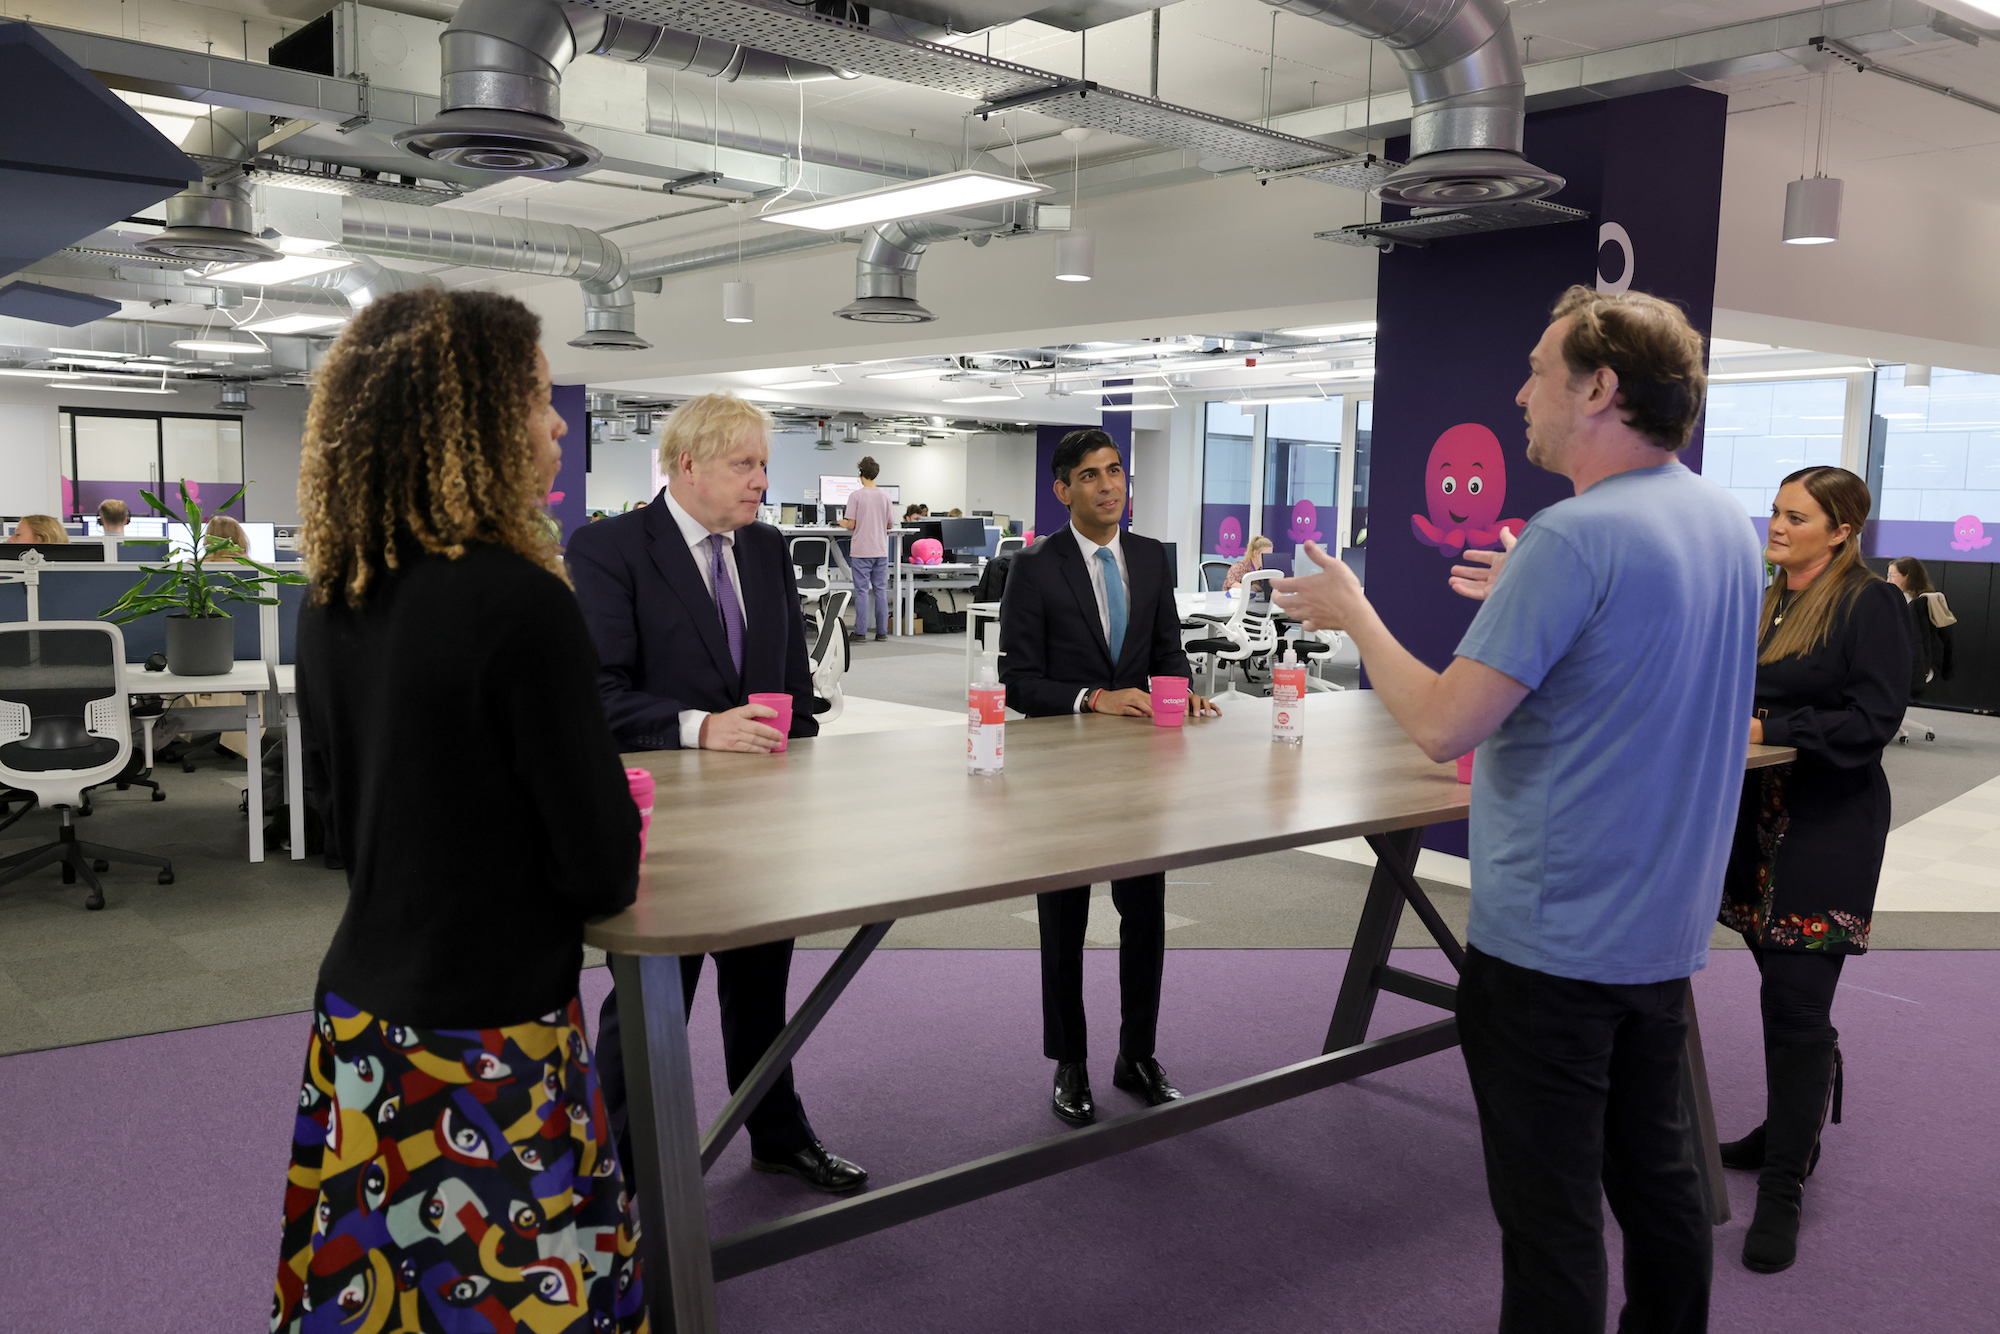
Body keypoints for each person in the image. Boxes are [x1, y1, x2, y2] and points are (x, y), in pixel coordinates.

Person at [1274, 285, 1762, 1333]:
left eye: (1538, 368)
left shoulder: (1569, 539)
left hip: (1550, 942)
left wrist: (1354, 614)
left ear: (1597, 386)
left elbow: (1444, 725)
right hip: (1657, 932)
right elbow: (1630, 659)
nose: (1517, 391)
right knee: (1659, 1184)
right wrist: (1527, 595)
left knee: (1547, 1221)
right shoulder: (1723, 520)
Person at [279, 288, 645, 1331]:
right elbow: (599, 869)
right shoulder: (522, 601)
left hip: (364, 1015)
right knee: (509, 1297)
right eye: (535, 396)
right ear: (474, 421)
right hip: (491, 1034)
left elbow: (346, 814)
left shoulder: (334, 592)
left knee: (384, 1300)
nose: (556, 421)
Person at [567, 392, 868, 1195]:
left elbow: (790, 685)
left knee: (761, 986)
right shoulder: (609, 549)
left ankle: (774, 1132)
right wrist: (702, 726)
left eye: (764, 464)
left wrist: (802, 737)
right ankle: (615, 1176)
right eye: (745, 464)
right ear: (687, 464)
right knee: (651, 1005)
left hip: (764, 813)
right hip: (668, 822)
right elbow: (595, 694)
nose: (761, 481)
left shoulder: (766, 549)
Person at [1714, 466, 1909, 1275]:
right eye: (1776, 511)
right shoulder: (1768, 598)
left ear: (1841, 530)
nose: (1779, 524)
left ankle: (1786, 1181)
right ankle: (1792, 1111)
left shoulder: (1871, 602)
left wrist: (1769, 720)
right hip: (1755, 817)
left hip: (1828, 819)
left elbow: (1874, 718)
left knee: (1796, 1000)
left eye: (1798, 516)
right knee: (1778, 983)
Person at [1000, 428, 1219, 1128]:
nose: (1108, 485)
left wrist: (1181, 687)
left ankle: (1138, 1054)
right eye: (1090, 475)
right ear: (1063, 489)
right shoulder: (1034, 567)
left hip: (1141, 772)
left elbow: (1166, 649)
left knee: (1145, 915)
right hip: (1062, 773)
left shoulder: (1153, 558)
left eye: (1116, 471)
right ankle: (1071, 1060)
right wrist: (1093, 698)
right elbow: (1018, 683)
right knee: (1064, 920)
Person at [838, 456, 894, 642]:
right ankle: (882, 632)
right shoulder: (885, 496)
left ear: (861, 474)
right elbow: (889, 526)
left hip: (862, 550)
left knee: (861, 590)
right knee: (880, 590)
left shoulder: (856, 496)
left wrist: (842, 522)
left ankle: (860, 632)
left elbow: (852, 524)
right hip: (880, 550)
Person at [1887, 556, 1956, 704]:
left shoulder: (1907, 604)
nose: (1888, 581)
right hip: (1926, 668)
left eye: (1892, 576)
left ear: (1907, 577)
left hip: (1909, 669)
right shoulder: (1927, 600)